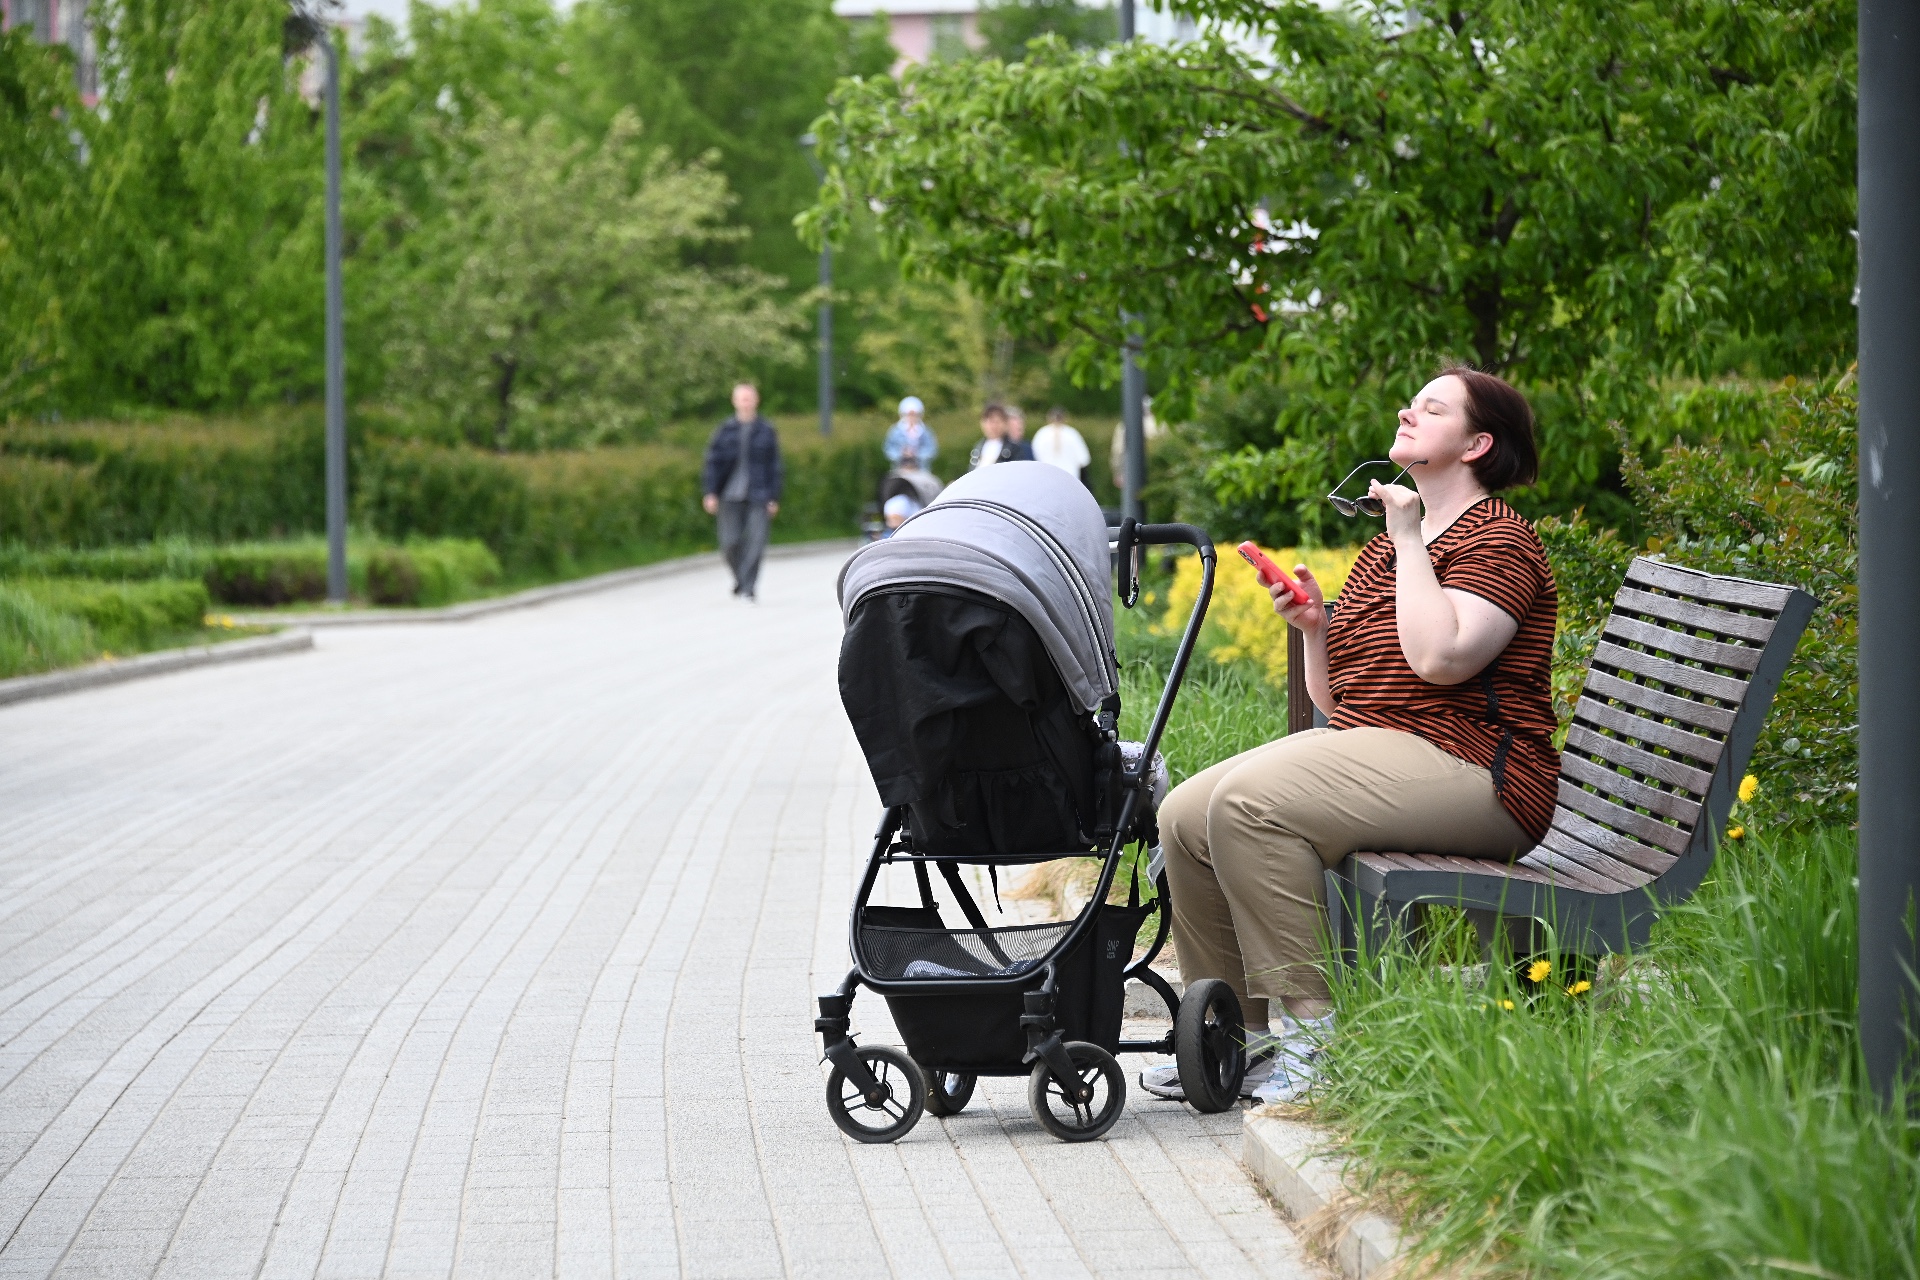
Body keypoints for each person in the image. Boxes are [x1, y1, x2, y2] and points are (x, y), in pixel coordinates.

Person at [1141, 366, 1557, 1105]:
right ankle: (1237, 1040)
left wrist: (1406, 540)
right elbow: (1341, 700)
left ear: (1476, 444)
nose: (1407, 411)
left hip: (1479, 772)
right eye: (1411, 402)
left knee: (1247, 806)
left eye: (1432, 408)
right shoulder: (1397, 546)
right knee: (1182, 816)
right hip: (1393, 750)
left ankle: (1315, 1042)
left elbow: (1440, 659)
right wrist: (1313, 630)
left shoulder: (1500, 541)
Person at [701, 382, 783, 601]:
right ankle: (740, 578)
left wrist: (774, 497)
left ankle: (748, 587)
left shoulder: (766, 430)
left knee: (756, 543)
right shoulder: (724, 430)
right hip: (729, 494)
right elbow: (712, 463)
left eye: (749, 398)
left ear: (756, 400)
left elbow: (775, 466)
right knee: (730, 543)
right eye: (742, 398)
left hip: (759, 494)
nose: (746, 403)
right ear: (735, 401)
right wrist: (710, 492)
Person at [1032, 406, 1092, 483]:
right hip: (1070, 478)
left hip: (1046, 479)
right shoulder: (1072, 434)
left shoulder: (1042, 434)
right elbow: (1083, 460)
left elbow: (1034, 457)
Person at [884, 396, 938, 469]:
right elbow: (888, 449)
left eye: (914, 414)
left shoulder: (926, 431)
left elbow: (932, 450)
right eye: (909, 414)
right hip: (899, 469)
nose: (912, 417)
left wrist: (916, 454)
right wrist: (902, 454)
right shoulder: (895, 431)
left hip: (921, 469)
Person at [969, 403, 1010, 469]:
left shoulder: (1013, 449)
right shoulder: (978, 447)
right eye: (990, 422)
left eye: (997, 422)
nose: (993, 426)